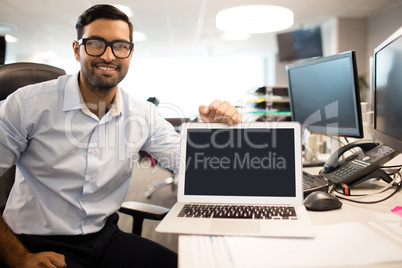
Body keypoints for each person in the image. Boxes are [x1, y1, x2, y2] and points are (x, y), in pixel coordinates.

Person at [0, 4, 241, 268]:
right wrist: (18, 256)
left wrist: (216, 135)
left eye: (120, 46)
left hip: (105, 237)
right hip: (35, 242)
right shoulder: (27, 105)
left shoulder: (142, 114)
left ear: (130, 52)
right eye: (95, 43)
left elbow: (193, 167)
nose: (109, 56)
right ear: (76, 49)